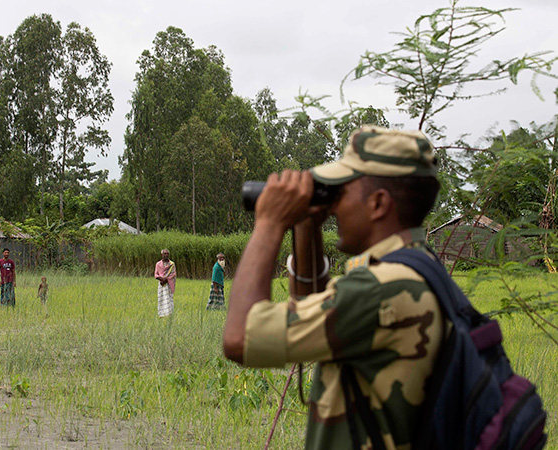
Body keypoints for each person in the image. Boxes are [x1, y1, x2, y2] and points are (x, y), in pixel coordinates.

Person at [223, 126, 444, 449]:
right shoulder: (417, 268)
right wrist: (305, 224)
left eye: (341, 192)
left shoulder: (381, 290)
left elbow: (240, 337)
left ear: (378, 203)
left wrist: (269, 223)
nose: (334, 206)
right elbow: (312, 306)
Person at [154, 249, 176, 317]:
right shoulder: (158, 264)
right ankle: (161, 314)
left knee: (168, 298)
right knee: (161, 298)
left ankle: (169, 313)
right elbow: (156, 274)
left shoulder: (172, 264)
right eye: (164, 253)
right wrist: (161, 279)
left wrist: (165, 280)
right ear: (162, 255)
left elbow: (173, 274)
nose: (166, 255)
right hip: (161, 284)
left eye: (167, 253)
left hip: (168, 284)